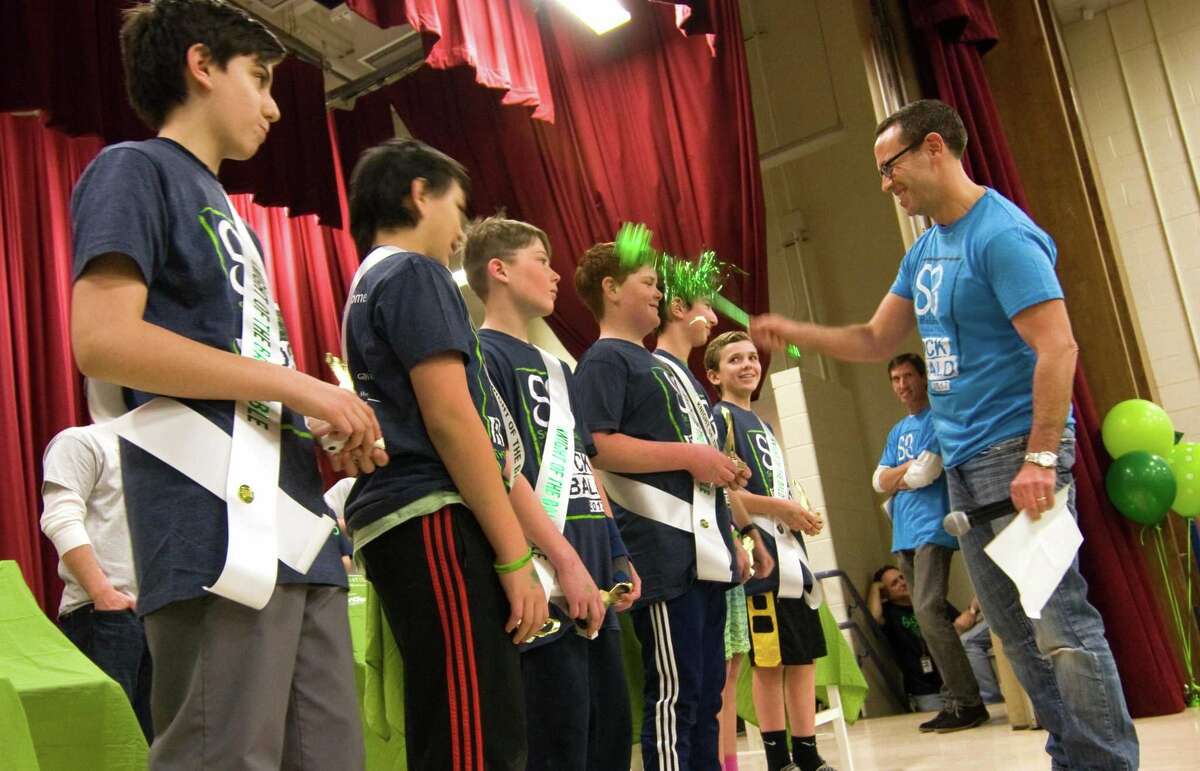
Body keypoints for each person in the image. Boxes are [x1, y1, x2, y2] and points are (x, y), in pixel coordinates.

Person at [751, 99, 1139, 769]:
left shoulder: (1001, 236)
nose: (886, 184)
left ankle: (1106, 761)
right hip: (963, 466)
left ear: (934, 148)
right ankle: (1072, 757)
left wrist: (1041, 457)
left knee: (1061, 627)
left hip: (1015, 453)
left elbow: (1058, 347)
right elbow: (876, 339)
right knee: (1017, 636)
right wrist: (795, 331)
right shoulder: (926, 249)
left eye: (890, 167)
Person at [70, 2, 376, 767]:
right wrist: (299, 386)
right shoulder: (134, 169)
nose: (274, 107)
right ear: (201, 64)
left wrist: (314, 417)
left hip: (298, 530)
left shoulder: (232, 214)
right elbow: (102, 341)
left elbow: (228, 370)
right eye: (260, 78)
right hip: (211, 527)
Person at [342, 140, 548, 771]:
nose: (462, 229)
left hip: (404, 521)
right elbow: (453, 419)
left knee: (453, 722)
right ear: (418, 194)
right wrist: (514, 554)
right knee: (476, 733)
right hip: (431, 514)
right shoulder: (413, 273)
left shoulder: (367, 284)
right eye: (458, 207)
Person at [573, 243, 768, 771]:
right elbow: (598, 446)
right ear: (611, 290)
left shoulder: (661, 367)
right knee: (675, 696)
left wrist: (729, 529)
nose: (659, 293)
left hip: (702, 550)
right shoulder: (605, 359)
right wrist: (691, 456)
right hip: (660, 551)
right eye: (647, 283)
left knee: (706, 697)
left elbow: (691, 463)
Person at [462, 214, 641, 770]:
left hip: (593, 569)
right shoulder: (480, 357)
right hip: (544, 577)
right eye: (541, 261)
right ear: (499, 270)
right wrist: (563, 562)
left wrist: (616, 552)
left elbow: (585, 466)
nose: (556, 274)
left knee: (610, 739)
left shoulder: (559, 369)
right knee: (559, 744)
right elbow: (499, 472)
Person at [706, 332, 834, 771]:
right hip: (759, 559)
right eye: (734, 360)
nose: (747, 365)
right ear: (714, 375)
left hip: (791, 557)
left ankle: (808, 752)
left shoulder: (764, 426)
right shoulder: (720, 418)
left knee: (802, 657)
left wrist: (798, 514)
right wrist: (780, 509)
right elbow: (725, 492)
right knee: (770, 660)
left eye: (751, 357)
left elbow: (775, 490)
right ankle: (778, 758)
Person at [872, 352, 987, 732]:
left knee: (927, 610)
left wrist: (898, 474)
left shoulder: (938, 418)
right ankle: (953, 700)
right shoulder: (897, 431)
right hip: (903, 530)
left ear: (923, 378)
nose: (902, 385)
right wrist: (905, 471)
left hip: (932, 527)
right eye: (895, 379)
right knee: (925, 616)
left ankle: (968, 701)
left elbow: (926, 475)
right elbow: (877, 481)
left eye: (908, 376)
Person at [40, 424, 152, 741]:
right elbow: (60, 518)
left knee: (162, 745)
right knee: (107, 740)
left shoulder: (166, 451)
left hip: (164, 617)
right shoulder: (82, 440)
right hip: (108, 617)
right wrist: (103, 593)